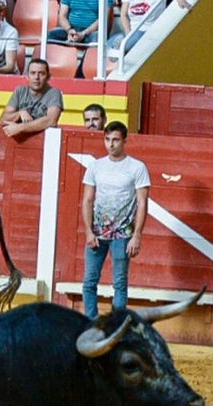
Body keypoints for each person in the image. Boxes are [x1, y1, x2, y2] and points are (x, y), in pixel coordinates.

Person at [80, 121, 149, 319]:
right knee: (89, 281)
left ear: (124, 141)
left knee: (119, 282)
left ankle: (116, 325)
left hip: (123, 235)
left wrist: (137, 236)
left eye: (116, 140)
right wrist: (88, 231)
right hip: (97, 233)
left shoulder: (137, 167)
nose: (111, 144)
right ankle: (91, 323)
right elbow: (87, 200)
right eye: (108, 139)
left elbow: (142, 203)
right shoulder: (95, 166)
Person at [0, 58, 62, 138]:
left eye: (41, 73)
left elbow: (51, 120)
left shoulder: (53, 93)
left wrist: (20, 128)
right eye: (33, 73)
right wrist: (20, 113)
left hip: (43, 142)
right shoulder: (20, 91)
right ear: (27, 76)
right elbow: (3, 120)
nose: (36, 77)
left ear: (48, 77)